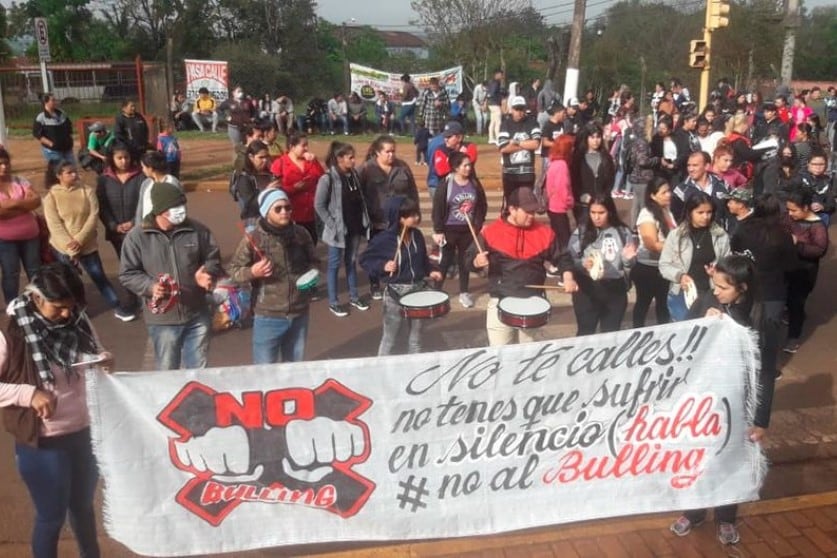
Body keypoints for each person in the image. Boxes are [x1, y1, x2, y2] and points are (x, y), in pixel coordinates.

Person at [0, 262, 114, 558]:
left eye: (71, 307)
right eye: (59, 307)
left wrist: (102, 360)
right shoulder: (10, 332)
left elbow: (94, 353)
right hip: (44, 444)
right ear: (36, 298)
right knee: (51, 517)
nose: (67, 314)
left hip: (85, 433)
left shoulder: (78, 321)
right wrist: (28, 393)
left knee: (83, 509)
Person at [669, 254, 775, 547]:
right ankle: (694, 512)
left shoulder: (759, 317)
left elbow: (766, 372)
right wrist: (701, 326)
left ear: (741, 287)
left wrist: (761, 420)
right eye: (713, 284)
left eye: (722, 287)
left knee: (730, 459)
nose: (715, 291)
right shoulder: (706, 301)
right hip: (701, 399)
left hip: (737, 403)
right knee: (697, 456)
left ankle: (726, 517)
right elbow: (680, 338)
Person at [119, 182, 223, 370]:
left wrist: (208, 272)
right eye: (175, 207)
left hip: (197, 313)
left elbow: (213, 257)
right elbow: (128, 273)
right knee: (168, 371)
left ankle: (197, 400)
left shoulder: (198, 230)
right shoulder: (137, 237)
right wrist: (150, 287)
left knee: (199, 370)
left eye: (183, 205)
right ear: (160, 210)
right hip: (163, 321)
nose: (181, 210)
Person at [470, 187, 577, 346]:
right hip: (500, 300)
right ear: (512, 209)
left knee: (528, 357)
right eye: (527, 212)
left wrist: (568, 277)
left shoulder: (544, 232)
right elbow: (468, 259)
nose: (531, 216)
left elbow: (563, 257)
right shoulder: (491, 232)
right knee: (500, 356)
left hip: (533, 301)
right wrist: (476, 262)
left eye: (533, 212)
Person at [228, 189, 317, 364]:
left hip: (299, 312)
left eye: (288, 207)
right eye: (278, 209)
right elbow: (234, 271)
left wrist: (312, 275)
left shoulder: (301, 234)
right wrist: (253, 272)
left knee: (294, 368)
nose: (285, 212)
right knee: (264, 371)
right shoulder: (253, 239)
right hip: (267, 315)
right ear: (266, 211)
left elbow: (315, 261)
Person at [43, 161, 136, 322]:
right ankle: (76, 311)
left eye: (75, 172)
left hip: (87, 246)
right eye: (69, 173)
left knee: (99, 277)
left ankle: (116, 306)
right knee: (69, 282)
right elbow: (54, 225)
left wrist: (79, 240)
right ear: (59, 176)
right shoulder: (51, 196)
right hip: (63, 248)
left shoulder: (87, 191)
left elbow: (93, 217)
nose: (74, 175)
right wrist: (71, 247)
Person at [360, 196, 443, 355]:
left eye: (416, 213)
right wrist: (383, 266)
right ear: (398, 218)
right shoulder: (383, 240)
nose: (416, 217)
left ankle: (416, 372)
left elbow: (423, 260)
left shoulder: (417, 235)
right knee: (390, 338)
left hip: (418, 290)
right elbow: (365, 260)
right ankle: (381, 369)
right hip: (395, 293)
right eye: (411, 215)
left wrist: (431, 270)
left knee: (416, 339)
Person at [731, 194, 795, 379]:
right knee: (769, 334)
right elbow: (791, 265)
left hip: (746, 288)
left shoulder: (742, 230)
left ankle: (745, 368)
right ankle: (767, 370)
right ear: (777, 213)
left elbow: (734, 255)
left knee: (747, 329)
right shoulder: (782, 235)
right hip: (773, 290)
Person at [314, 141, 371, 318]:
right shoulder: (328, 179)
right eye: (350, 157)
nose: (354, 161)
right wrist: (332, 224)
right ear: (339, 159)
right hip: (337, 232)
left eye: (354, 157)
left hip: (354, 228)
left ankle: (354, 296)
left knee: (351, 262)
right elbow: (319, 205)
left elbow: (360, 199)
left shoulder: (353, 175)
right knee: (334, 266)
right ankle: (334, 302)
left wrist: (364, 221)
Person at [568, 195, 636, 335]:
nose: (596, 217)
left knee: (611, 334)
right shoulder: (581, 232)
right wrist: (582, 264)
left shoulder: (623, 232)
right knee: (585, 332)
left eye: (601, 213)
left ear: (610, 212)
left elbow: (628, 266)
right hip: (588, 290)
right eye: (593, 213)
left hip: (615, 289)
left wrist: (629, 260)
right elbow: (569, 259)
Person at [659, 192, 730, 322]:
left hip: (711, 292)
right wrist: (680, 276)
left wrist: (718, 272)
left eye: (709, 212)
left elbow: (727, 263)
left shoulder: (720, 235)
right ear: (690, 212)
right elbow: (664, 265)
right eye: (700, 212)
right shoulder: (676, 236)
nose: (706, 217)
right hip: (682, 293)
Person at [432, 152, 487, 308]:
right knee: (445, 261)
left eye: (470, 165)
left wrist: (478, 224)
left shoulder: (474, 183)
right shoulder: (446, 184)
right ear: (456, 167)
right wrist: (438, 230)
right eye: (465, 165)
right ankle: (437, 291)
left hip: (468, 231)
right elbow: (438, 209)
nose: (469, 168)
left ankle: (464, 292)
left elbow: (482, 205)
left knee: (465, 262)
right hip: (449, 229)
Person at [95, 144, 144, 313]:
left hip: (138, 229)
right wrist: (113, 225)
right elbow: (102, 205)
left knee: (142, 263)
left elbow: (143, 203)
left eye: (127, 157)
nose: (124, 161)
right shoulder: (104, 179)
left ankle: (147, 296)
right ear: (112, 159)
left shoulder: (141, 176)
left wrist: (133, 222)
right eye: (119, 158)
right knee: (126, 265)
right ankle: (131, 298)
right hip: (116, 232)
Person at [783, 187, 828, 354]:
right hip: (788, 266)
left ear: (806, 208)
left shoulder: (817, 226)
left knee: (797, 303)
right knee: (788, 298)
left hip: (804, 272)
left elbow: (819, 250)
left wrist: (798, 244)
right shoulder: (789, 219)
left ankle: (793, 337)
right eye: (788, 209)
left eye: (794, 210)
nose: (790, 213)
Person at [632, 177, 676, 327]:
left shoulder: (666, 211)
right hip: (648, 268)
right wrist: (677, 245)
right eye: (664, 192)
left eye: (669, 191)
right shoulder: (647, 215)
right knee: (643, 304)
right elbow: (652, 245)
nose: (668, 195)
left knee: (663, 304)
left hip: (664, 266)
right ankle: (637, 332)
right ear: (652, 195)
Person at [0, 149, 42, 304]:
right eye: (0, 164)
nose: (4, 167)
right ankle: (12, 305)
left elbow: (36, 201)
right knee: (11, 273)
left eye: (6, 163)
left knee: (35, 271)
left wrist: (14, 203)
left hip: (31, 236)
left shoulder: (20, 180)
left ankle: (39, 301)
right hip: (5, 240)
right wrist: (24, 207)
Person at [271, 133, 325, 244]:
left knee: (311, 242)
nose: (306, 149)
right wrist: (294, 188)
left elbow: (323, 180)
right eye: (303, 145)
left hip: (311, 213)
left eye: (307, 145)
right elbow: (274, 192)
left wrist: (315, 162)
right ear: (292, 147)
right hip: (291, 214)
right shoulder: (280, 164)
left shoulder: (310, 161)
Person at [498, 95, 542, 207]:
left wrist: (516, 143)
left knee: (526, 205)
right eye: (517, 109)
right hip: (510, 173)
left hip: (527, 173)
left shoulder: (532, 123)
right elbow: (503, 148)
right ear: (512, 110)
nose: (519, 112)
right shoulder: (505, 124)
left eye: (521, 109)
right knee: (510, 206)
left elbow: (536, 144)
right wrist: (527, 144)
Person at [571, 122, 615, 226]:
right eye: (592, 137)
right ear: (586, 138)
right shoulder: (578, 157)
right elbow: (573, 180)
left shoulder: (606, 157)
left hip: (602, 203)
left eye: (598, 137)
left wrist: (604, 196)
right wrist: (581, 195)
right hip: (584, 204)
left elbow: (610, 179)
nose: (596, 141)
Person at [671, 151, 730, 227]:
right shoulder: (681, 191)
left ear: (707, 166)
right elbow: (678, 219)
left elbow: (730, 213)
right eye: (688, 165)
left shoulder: (723, 185)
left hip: (721, 235)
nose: (690, 169)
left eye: (695, 165)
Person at [232, 140, 278, 224]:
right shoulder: (244, 177)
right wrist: (267, 191)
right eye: (261, 157)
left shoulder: (270, 173)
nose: (265, 160)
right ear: (251, 157)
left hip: (271, 218)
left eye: (267, 157)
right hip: (253, 220)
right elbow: (250, 205)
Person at [32, 93, 75, 182]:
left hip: (67, 148)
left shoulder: (62, 113)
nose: (55, 102)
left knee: (72, 170)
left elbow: (69, 127)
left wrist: (69, 139)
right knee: (60, 171)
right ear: (46, 102)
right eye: (53, 100)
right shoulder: (41, 117)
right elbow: (37, 134)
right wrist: (50, 143)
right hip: (53, 151)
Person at [135, 150, 183, 225]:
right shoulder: (146, 184)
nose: (142, 170)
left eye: (143, 167)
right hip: (146, 228)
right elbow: (140, 207)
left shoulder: (172, 183)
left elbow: (177, 210)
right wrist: (138, 226)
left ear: (150, 168)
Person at [544, 134, 575, 250]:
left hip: (552, 205)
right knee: (564, 239)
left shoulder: (553, 162)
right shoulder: (562, 165)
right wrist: (570, 202)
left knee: (557, 235)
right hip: (560, 207)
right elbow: (562, 188)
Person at [797, 150, 835, 226]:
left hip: (821, 217)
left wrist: (822, 206)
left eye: (821, 164)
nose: (818, 167)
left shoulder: (828, 181)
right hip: (801, 216)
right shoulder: (798, 178)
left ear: (826, 165)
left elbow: (832, 204)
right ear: (808, 164)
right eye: (814, 164)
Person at [487, 69, 506, 145]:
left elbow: (489, 93)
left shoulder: (490, 82)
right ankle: (498, 138)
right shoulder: (496, 82)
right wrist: (499, 100)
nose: (502, 76)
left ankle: (491, 138)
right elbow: (493, 93)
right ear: (497, 74)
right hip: (495, 103)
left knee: (493, 122)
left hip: (491, 104)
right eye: (501, 75)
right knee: (498, 122)